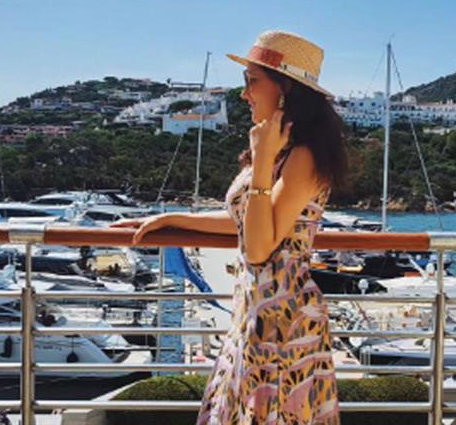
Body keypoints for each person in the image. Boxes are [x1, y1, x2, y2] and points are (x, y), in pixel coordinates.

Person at [111, 29, 347, 424]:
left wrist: (262, 159)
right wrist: (170, 219)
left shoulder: (303, 156)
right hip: (255, 311)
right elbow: (250, 222)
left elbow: (258, 247)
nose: (244, 94)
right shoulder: (281, 148)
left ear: (285, 89)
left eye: (252, 81)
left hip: (282, 319)